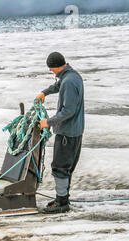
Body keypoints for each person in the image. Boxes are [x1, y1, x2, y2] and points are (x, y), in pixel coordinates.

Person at [36, 52, 84, 213]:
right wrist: (45, 92)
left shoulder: (69, 81)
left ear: (56, 66)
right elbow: (59, 85)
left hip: (67, 133)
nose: (51, 71)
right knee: (66, 166)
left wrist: (47, 122)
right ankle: (62, 198)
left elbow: (68, 111)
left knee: (60, 166)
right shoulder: (71, 75)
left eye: (51, 69)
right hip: (74, 131)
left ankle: (61, 203)